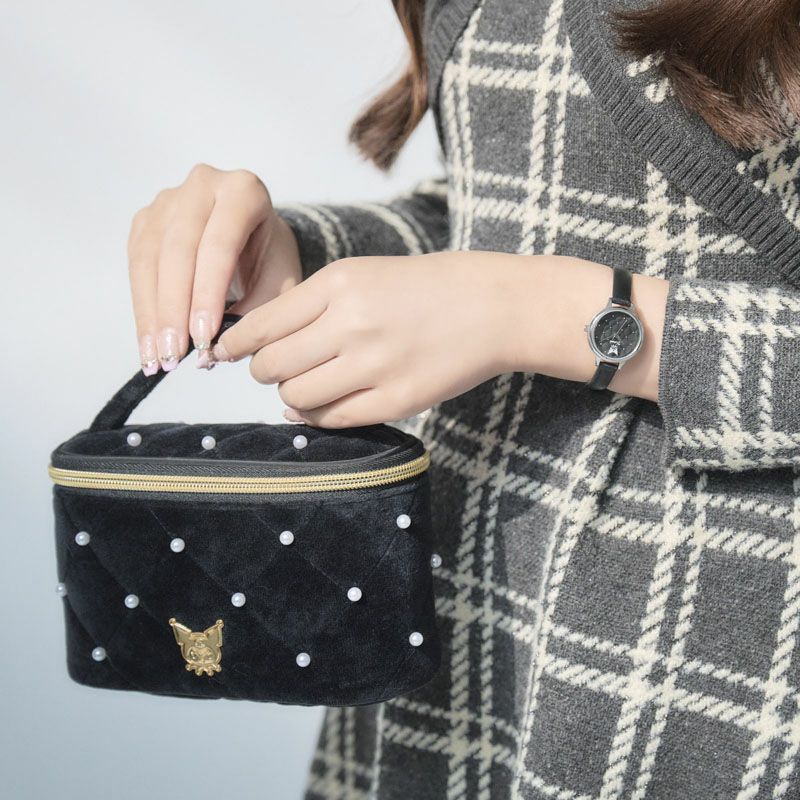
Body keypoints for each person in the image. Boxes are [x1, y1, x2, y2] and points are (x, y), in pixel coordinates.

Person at [126, 0, 800, 797]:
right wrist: (296, 256)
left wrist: (546, 313)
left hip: (725, 651)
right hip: (459, 599)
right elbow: (525, 197)